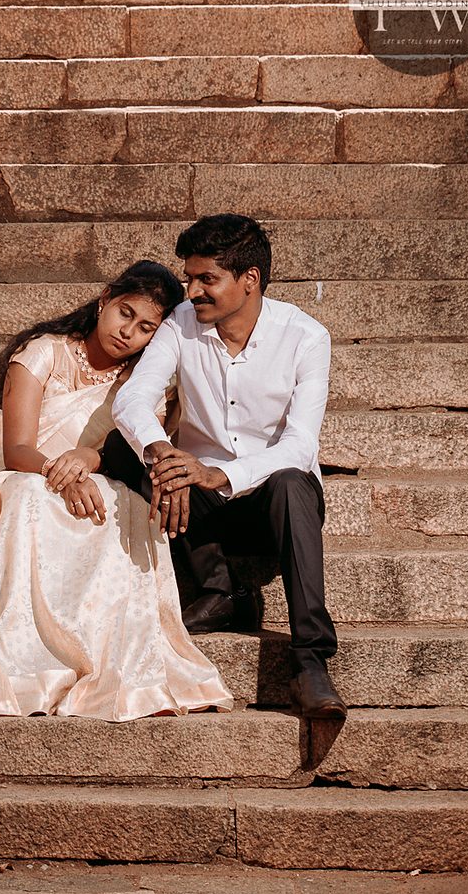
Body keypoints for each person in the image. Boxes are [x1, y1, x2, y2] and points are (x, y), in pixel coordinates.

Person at [0, 261, 233, 719]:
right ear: (104, 300)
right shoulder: (43, 353)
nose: (128, 333)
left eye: (145, 328)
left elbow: (133, 453)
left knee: (124, 504)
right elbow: (16, 450)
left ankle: (96, 652)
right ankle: (30, 660)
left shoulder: (143, 382)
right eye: (124, 313)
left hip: (96, 477)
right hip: (20, 475)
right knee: (29, 498)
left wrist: (87, 463)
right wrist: (61, 473)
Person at [105, 214, 345, 721]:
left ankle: (311, 662)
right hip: (199, 503)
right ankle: (223, 590)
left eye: (206, 279)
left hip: (273, 507)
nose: (191, 291)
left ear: (249, 279)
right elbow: (132, 400)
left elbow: (300, 445)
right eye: (189, 278)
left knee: (291, 482)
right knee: (127, 449)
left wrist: (223, 474)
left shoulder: (305, 337)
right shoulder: (180, 324)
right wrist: (164, 453)